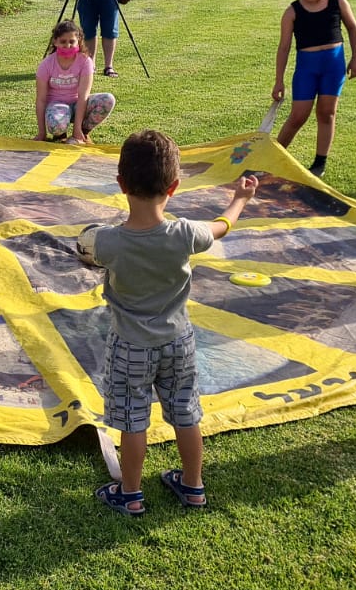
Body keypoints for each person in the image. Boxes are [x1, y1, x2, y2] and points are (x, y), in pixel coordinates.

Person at [76, 130, 259, 513]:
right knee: (185, 411)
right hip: (179, 342)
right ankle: (193, 486)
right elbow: (222, 225)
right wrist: (239, 199)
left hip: (131, 347)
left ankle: (130, 493)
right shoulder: (185, 234)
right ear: (173, 187)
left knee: (132, 420)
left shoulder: (111, 242)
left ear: (121, 184)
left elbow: (89, 245)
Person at [270, 0, 356, 177]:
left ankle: (319, 163)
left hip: (333, 67)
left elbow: (353, 27)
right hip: (307, 70)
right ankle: (272, 158)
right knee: (298, 116)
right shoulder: (292, 12)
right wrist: (279, 81)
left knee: (326, 113)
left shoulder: (336, 1)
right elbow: (283, 48)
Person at [34, 20, 115, 144]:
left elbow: (83, 96)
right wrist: (41, 133)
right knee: (56, 125)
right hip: (57, 105)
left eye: (72, 42)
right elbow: (41, 99)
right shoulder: (46, 64)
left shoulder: (85, 61)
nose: (67, 46)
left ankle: (83, 132)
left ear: (79, 41)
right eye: (63, 42)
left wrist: (77, 129)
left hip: (78, 103)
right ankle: (60, 135)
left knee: (108, 99)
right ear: (55, 42)